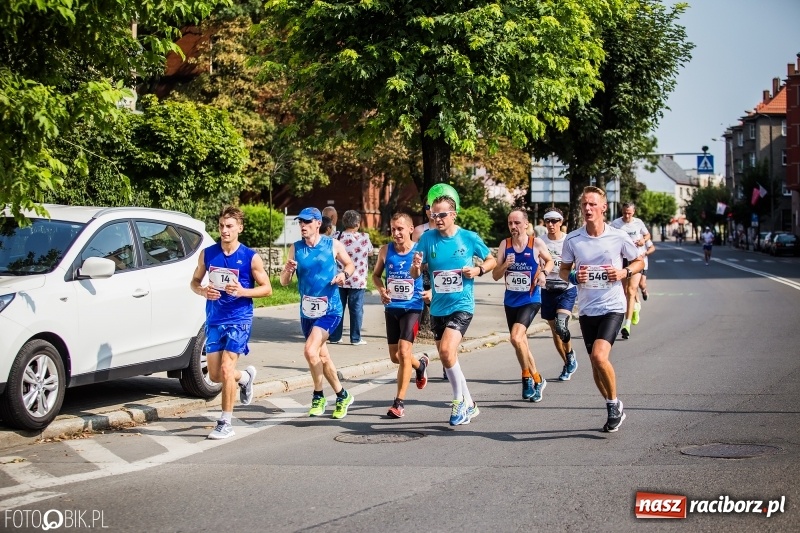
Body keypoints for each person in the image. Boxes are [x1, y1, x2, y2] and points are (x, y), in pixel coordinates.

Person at [559, 186, 643, 433]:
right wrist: (575, 276)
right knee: (595, 365)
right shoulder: (573, 239)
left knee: (599, 356)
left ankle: (612, 406)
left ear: (604, 208)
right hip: (587, 310)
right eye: (584, 204)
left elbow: (638, 261)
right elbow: (563, 271)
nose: (587, 208)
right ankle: (613, 403)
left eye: (592, 204)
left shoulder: (617, 236)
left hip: (613, 307)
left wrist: (623, 272)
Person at [411, 194, 497, 425]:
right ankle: (470, 404)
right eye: (433, 214)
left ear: (453, 214)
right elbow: (415, 273)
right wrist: (417, 267)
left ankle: (458, 403)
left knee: (448, 351)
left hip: (462, 305)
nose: (437, 219)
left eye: (442, 214)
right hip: (438, 308)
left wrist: (478, 271)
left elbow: (491, 260)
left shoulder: (468, 238)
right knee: (449, 357)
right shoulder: (428, 239)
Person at [190, 206, 273, 439]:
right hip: (215, 319)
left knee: (226, 368)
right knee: (216, 375)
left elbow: (267, 289)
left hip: (239, 319)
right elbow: (194, 282)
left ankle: (225, 422)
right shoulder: (208, 254)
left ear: (239, 228)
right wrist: (203, 291)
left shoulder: (250, 257)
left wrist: (242, 291)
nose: (224, 231)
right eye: (221, 226)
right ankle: (245, 378)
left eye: (229, 226)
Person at [280, 207, 356, 419]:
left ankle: (318, 395)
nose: (302, 226)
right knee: (322, 356)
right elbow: (284, 283)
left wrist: (343, 275)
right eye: (300, 222)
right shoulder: (296, 248)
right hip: (308, 311)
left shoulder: (332, 244)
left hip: (330, 309)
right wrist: (287, 270)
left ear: (317, 224)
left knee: (310, 351)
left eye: (306, 222)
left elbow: (350, 265)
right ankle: (343, 395)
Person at [492, 208, 554, 402]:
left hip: (531, 298)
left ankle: (527, 377)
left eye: (517, 223)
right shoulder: (505, 245)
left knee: (516, 337)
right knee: (521, 343)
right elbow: (495, 275)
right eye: (510, 223)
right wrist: (504, 265)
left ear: (526, 224)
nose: (513, 227)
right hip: (511, 301)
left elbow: (549, 261)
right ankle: (535, 378)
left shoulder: (536, 243)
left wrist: (543, 273)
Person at [372, 212, 428, 418]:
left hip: (413, 307)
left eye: (400, 229)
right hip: (392, 308)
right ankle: (420, 365)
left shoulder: (419, 251)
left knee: (404, 352)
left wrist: (430, 291)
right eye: (393, 229)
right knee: (396, 357)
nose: (396, 233)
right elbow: (376, 276)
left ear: (411, 230)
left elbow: (429, 273)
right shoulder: (385, 251)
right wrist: (381, 290)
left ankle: (399, 403)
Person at [537, 207, 579, 382]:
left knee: (562, 325)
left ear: (561, 222)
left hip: (566, 288)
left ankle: (569, 356)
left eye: (555, 221)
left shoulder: (569, 241)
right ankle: (568, 360)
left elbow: (578, 261)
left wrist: (572, 271)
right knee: (555, 332)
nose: (552, 224)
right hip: (547, 289)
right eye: (548, 221)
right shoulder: (540, 241)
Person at [329, 210, 373, 345]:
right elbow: (370, 252)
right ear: (358, 224)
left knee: (338, 308)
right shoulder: (364, 237)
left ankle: (335, 337)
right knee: (356, 310)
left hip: (339, 279)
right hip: (357, 281)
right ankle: (355, 338)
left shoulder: (337, 236)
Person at [610, 202, 650, 339]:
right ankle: (635, 308)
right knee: (625, 291)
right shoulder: (616, 223)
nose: (627, 215)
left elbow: (647, 235)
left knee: (632, 290)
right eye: (625, 212)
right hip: (621, 260)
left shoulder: (638, 223)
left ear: (634, 212)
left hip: (636, 259)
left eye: (629, 213)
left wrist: (643, 241)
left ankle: (626, 325)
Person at [636, 239, 656, 311]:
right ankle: (637, 304)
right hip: (632, 264)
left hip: (643, 263)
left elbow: (652, 248)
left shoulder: (643, 237)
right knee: (633, 286)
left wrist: (646, 253)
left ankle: (644, 290)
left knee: (641, 284)